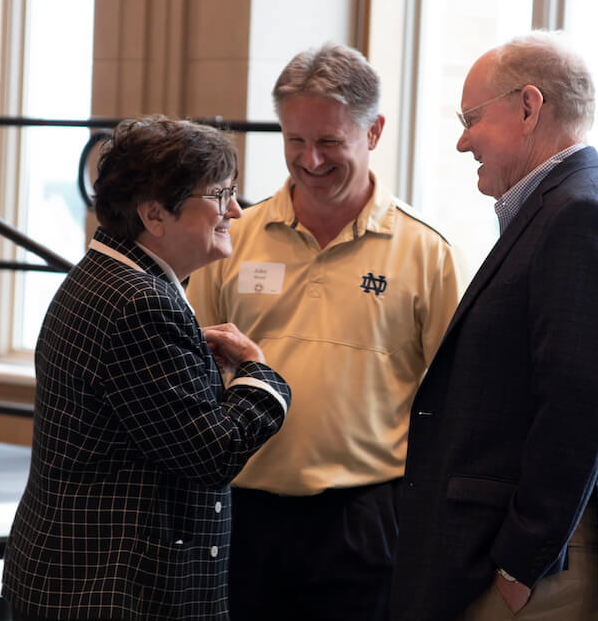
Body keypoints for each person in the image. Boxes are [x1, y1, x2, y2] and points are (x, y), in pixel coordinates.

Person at [389, 30, 598, 620]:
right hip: (540, 556)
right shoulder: (587, 202)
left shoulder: (581, 215)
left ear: (529, 106)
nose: (463, 141)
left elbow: (575, 412)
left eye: (471, 119)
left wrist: (518, 566)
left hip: (545, 569)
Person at [186, 43, 464, 620]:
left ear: (374, 131)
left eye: (329, 141)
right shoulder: (231, 240)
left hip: (366, 520)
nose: (310, 159)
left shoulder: (428, 254)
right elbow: (192, 372)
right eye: (295, 140)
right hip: (242, 514)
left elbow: (459, 403)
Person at [1, 116, 292, 621]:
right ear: (155, 214)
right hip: (116, 592)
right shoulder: (142, 303)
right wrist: (258, 373)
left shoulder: (112, 279)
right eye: (220, 195)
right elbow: (214, 455)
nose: (236, 211)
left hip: (86, 581)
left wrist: (189, 363)